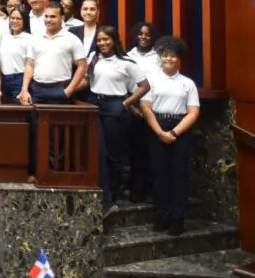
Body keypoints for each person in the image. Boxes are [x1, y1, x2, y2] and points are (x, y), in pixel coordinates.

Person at [85, 26, 150, 215]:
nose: (102, 43)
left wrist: (127, 102)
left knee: (115, 154)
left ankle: (112, 196)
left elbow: (144, 86)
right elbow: (88, 81)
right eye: (99, 40)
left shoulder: (127, 62)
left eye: (106, 39)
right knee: (99, 152)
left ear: (114, 40)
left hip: (115, 106)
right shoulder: (93, 58)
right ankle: (102, 196)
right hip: (94, 103)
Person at [140, 36, 200, 236]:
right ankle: (162, 215)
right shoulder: (152, 80)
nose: (168, 59)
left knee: (178, 175)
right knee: (159, 174)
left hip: (180, 129)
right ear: (160, 58)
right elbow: (146, 108)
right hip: (156, 127)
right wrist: (160, 132)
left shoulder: (188, 83)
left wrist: (174, 132)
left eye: (173, 56)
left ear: (179, 59)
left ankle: (178, 218)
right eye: (165, 56)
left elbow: (193, 112)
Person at [19, 2, 87, 105]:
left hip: (60, 88)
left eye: (53, 16)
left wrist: (69, 90)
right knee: (34, 120)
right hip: (36, 89)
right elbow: (29, 65)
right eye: (46, 16)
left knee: (59, 121)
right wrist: (24, 90)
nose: (48, 20)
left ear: (62, 18)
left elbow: (82, 66)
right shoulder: (36, 38)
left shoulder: (72, 39)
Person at [127, 21, 161, 201]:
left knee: (153, 151)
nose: (143, 37)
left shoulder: (159, 56)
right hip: (134, 106)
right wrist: (132, 107)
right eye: (140, 34)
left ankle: (151, 190)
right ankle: (136, 190)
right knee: (136, 152)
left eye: (147, 34)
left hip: (155, 107)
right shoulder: (128, 55)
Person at [0, 7, 33, 104]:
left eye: (18, 19)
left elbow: (30, 65)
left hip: (20, 80)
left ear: (25, 20)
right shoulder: (5, 38)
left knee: (20, 114)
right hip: (5, 80)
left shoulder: (29, 39)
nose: (14, 21)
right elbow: (2, 65)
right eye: (12, 18)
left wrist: (24, 89)